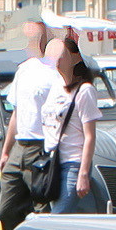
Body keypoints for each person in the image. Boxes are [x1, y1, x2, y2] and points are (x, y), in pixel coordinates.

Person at [0, 20, 53, 230]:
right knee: (6, 209)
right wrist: (6, 151)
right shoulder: (23, 71)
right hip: (20, 145)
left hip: (42, 148)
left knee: (41, 209)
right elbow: (17, 114)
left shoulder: (54, 72)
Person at [42, 35, 107, 214]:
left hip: (73, 164)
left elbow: (90, 136)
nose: (56, 60)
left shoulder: (84, 91)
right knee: (59, 217)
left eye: (62, 55)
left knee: (57, 217)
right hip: (53, 162)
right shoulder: (56, 86)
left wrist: (84, 173)